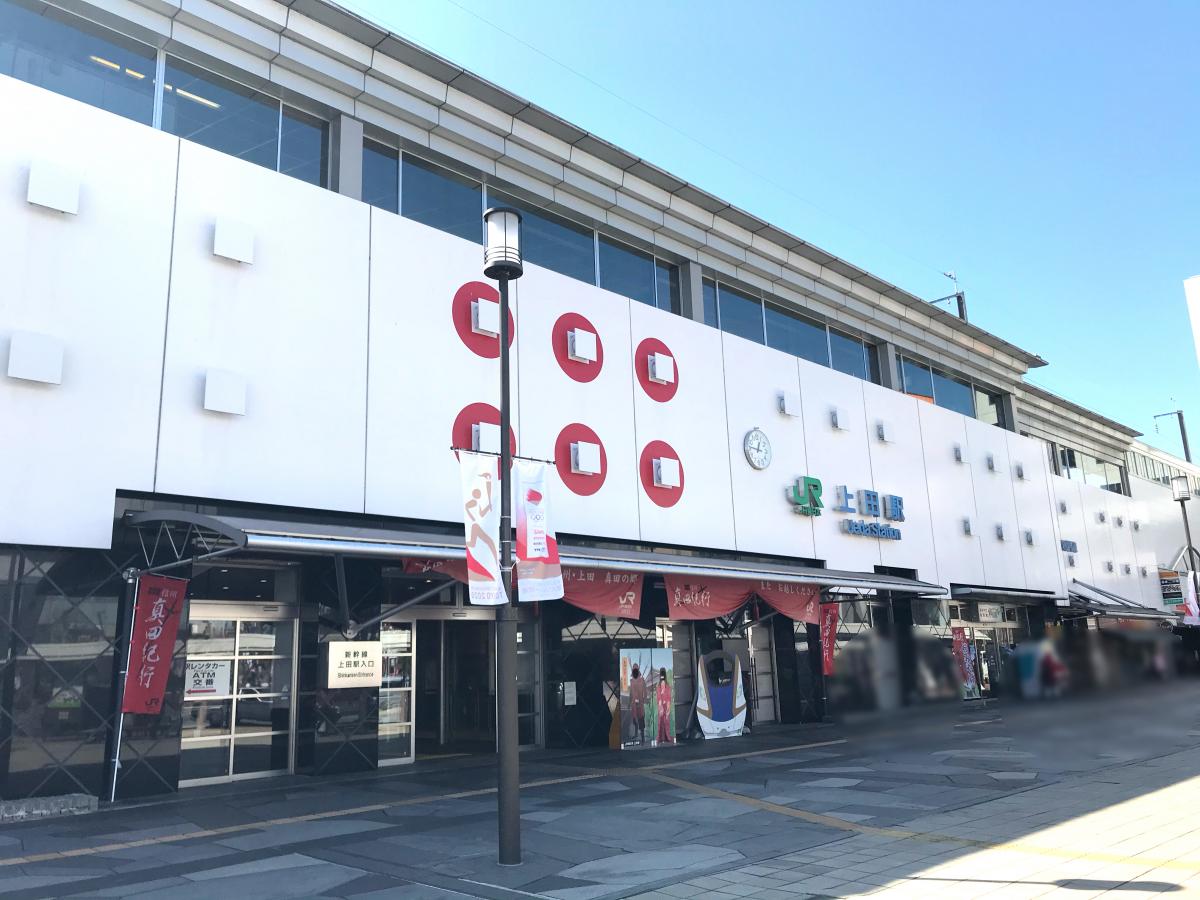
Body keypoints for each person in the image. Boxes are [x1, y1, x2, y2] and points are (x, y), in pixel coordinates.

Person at [629, 663, 647, 744]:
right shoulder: (631, 681)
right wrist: (629, 702)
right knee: (634, 719)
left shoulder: (642, 680)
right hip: (633, 703)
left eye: (636, 668)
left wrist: (644, 699)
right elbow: (630, 692)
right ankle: (636, 734)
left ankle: (643, 738)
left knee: (641, 719)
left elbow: (645, 691)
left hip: (640, 703)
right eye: (634, 668)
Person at [655, 667, 673, 744]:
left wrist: (668, 708)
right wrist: (660, 707)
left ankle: (667, 737)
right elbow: (658, 697)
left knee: (667, 721)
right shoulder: (658, 686)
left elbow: (669, 697)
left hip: (666, 705)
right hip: (660, 706)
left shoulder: (668, 686)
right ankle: (660, 738)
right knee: (660, 722)